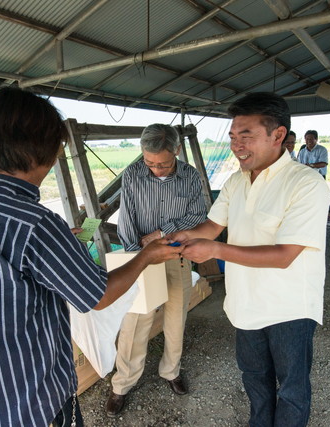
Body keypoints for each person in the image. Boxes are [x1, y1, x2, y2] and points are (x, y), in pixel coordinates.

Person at [0, 87, 183, 427]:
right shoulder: (33, 221)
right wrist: (145, 256)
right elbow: (99, 296)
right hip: (32, 399)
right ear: (39, 149)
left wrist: (56, 248)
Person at [169, 92, 329, 426]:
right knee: (254, 379)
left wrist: (215, 250)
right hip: (245, 302)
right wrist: (183, 237)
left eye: (246, 136)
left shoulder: (306, 183)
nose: (236, 146)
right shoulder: (236, 181)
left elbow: (285, 255)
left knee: (292, 389)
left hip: (289, 308)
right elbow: (213, 226)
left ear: (278, 135)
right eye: (232, 137)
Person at [105, 124, 207, 417]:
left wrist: (162, 232)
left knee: (176, 315)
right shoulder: (133, 174)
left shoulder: (190, 176)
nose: (156, 169)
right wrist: (135, 254)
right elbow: (127, 216)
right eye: (150, 163)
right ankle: (122, 384)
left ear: (176, 150)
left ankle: (171, 370)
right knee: (136, 320)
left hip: (177, 254)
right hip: (142, 256)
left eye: (163, 164)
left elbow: (197, 215)